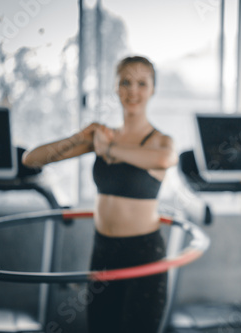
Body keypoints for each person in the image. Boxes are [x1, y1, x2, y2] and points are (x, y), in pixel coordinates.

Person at [22, 56, 178, 333]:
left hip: (143, 252)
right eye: (125, 82)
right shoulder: (101, 137)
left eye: (142, 83)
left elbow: (165, 160)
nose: (133, 91)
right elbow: (32, 159)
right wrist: (79, 137)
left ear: (153, 89)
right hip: (103, 250)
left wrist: (107, 149)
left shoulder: (159, 141)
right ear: (116, 88)